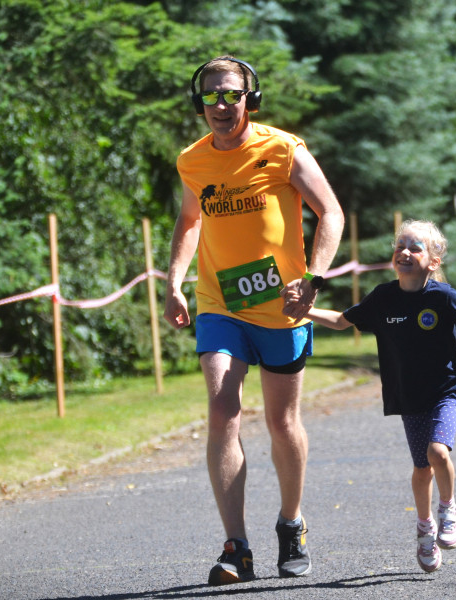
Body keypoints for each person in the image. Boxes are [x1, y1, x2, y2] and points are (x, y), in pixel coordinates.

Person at [163, 55, 344, 586]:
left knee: (282, 422)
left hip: (283, 308)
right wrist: (174, 281)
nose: (221, 105)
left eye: (231, 95)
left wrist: (313, 278)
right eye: (212, 96)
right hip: (220, 303)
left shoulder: (283, 149)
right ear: (201, 102)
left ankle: (292, 523)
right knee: (223, 410)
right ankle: (236, 547)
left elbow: (329, 211)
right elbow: (189, 219)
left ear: (250, 98)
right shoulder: (192, 161)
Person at [296, 219, 456, 574]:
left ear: (433, 261)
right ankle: (424, 528)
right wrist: (302, 311)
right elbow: (342, 321)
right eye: (400, 245)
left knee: (437, 452)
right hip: (407, 395)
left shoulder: (443, 296)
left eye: (415, 247)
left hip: (445, 390)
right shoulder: (383, 297)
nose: (404, 252)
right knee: (421, 470)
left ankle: (448, 508)